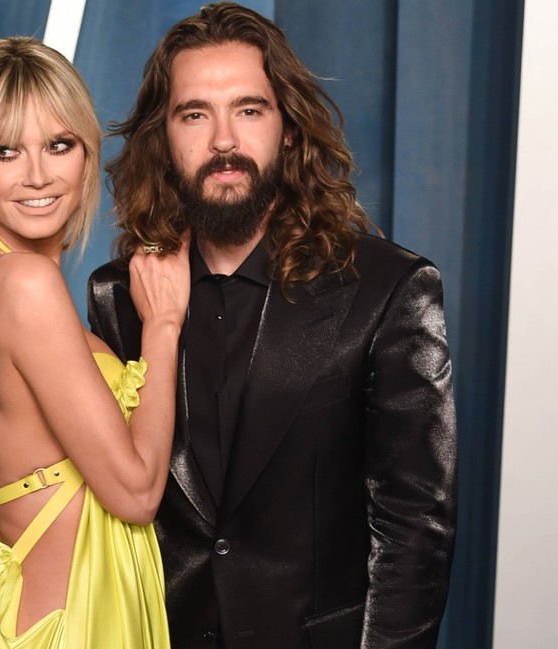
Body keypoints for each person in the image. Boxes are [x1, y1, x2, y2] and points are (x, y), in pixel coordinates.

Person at [87, 3, 457, 648]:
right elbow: (84, 491)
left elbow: (414, 526)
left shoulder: (389, 289)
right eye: (194, 114)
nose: (224, 140)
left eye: (249, 110)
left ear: (288, 130)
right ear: (163, 138)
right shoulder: (119, 297)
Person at [0, 37, 189, 648]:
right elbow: (134, 493)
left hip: (32, 614)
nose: (38, 175)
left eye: (59, 145)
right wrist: (161, 328)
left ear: (86, 154)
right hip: (73, 623)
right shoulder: (25, 285)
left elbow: (27, 475)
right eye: (5, 150)